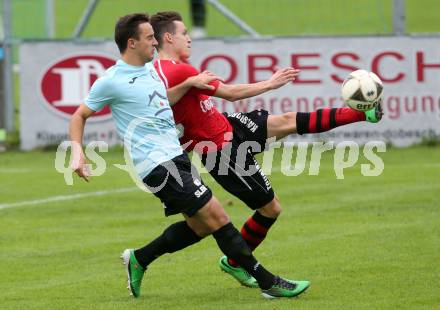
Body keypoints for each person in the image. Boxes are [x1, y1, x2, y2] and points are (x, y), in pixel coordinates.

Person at [69, 13, 309, 300]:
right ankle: (268, 282)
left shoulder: (151, 72)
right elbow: (79, 114)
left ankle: (140, 258)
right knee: (217, 215)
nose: (155, 42)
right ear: (131, 43)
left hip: (176, 156)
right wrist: (77, 151)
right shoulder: (111, 81)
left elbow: (163, 99)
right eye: (149, 38)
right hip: (155, 164)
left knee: (200, 225)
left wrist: (188, 84)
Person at [150, 11, 383, 288]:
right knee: (270, 209)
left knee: (288, 121)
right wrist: (270, 84)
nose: (189, 38)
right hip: (220, 151)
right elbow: (231, 93)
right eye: (184, 33)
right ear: (168, 37)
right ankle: (235, 263)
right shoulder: (177, 69)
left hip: (227, 126)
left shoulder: (166, 70)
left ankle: (361, 114)